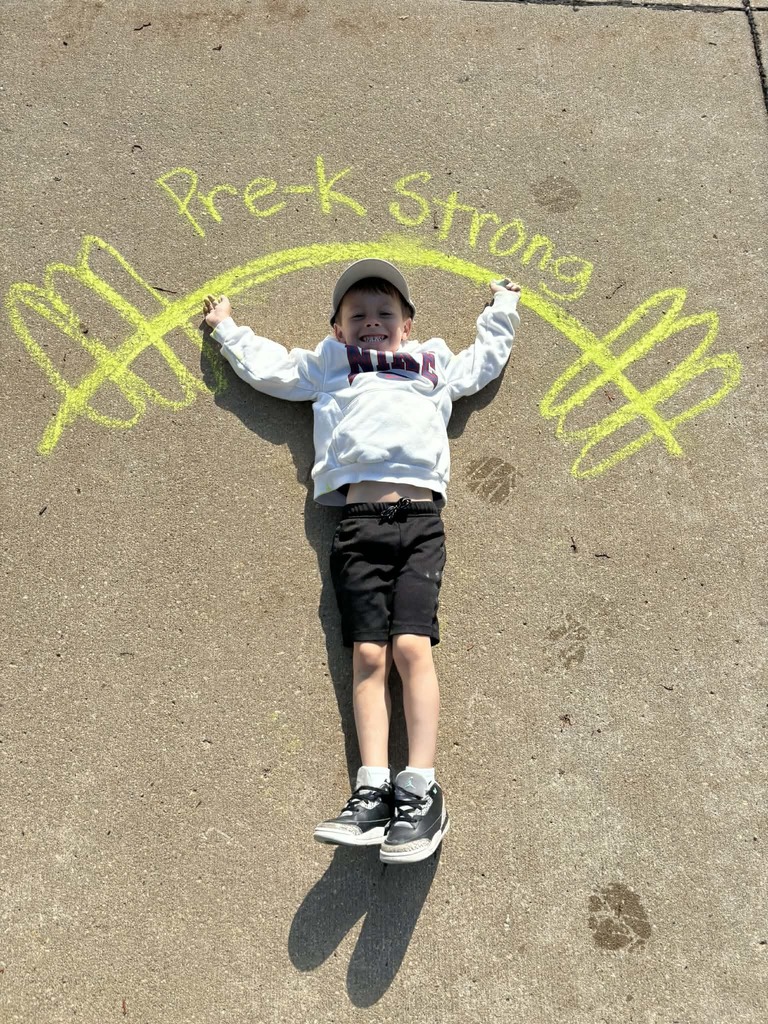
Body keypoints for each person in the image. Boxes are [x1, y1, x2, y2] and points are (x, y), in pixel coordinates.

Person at [203, 259, 521, 864]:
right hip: (357, 527)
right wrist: (227, 330)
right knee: (369, 655)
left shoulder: (432, 364)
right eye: (357, 315)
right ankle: (372, 790)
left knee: (412, 648)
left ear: (407, 324)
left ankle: (421, 790)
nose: (371, 322)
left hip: (420, 523)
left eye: (384, 313)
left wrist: (502, 308)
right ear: (338, 328)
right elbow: (274, 369)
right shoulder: (332, 364)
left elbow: (483, 363)